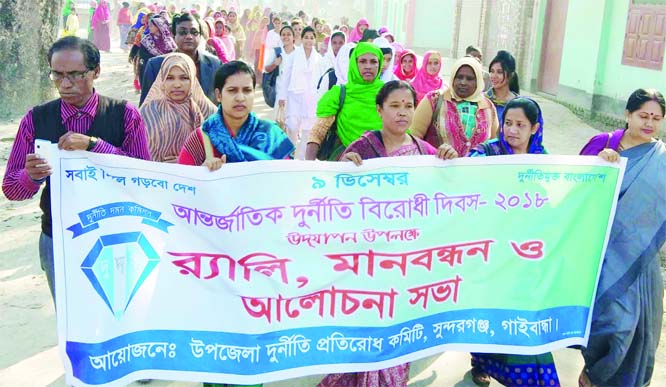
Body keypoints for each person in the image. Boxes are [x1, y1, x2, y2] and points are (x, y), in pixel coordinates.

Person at [318, 82, 454, 386]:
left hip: (403, 268)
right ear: (380, 110)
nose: (403, 112)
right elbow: (332, 198)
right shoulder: (362, 149)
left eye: (408, 106)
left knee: (395, 337)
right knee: (361, 336)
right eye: (395, 106)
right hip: (364, 267)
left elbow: (446, 194)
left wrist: (448, 158)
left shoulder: (424, 153)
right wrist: (343, 170)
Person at [1, 36, 151, 300]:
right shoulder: (36, 119)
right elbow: (12, 189)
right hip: (58, 237)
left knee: (115, 317)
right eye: (57, 75)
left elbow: (143, 179)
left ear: (96, 72)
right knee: (70, 323)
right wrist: (31, 177)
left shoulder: (124, 115)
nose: (65, 84)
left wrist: (95, 146)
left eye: (75, 75)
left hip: (117, 236)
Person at [466, 96, 556, 387]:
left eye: (520, 125)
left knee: (526, 319)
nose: (512, 130)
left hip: (527, 256)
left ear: (534, 128)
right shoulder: (487, 153)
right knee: (489, 312)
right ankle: (481, 362)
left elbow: (563, 197)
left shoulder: (544, 161)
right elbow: (464, 172)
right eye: (508, 123)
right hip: (492, 253)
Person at [578, 88, 665, 387]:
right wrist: (599, 167)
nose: (649, 123)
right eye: (643, 115)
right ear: (627, 114)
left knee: (639, 331)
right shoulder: (602, 144)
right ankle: (592, 373)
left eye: (656, 118)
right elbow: (574, 190)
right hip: (602, 251)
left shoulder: (661, 159)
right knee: (612, 324)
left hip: (640, 257)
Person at [178, 61, 294, 169]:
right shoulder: (200, 139)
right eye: (232, 90)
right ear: (218, 95)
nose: (240, 98)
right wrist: (201, 174)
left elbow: (288, 178)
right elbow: (183, 182)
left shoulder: (271, 134)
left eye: (247, 90)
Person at [305, 42, 384, 161]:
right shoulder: (339, 94)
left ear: (379, 65)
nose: (368, 66)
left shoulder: (388, 93)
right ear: (354, 64)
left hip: (383, 160)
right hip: (346, 161)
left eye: (373, 62)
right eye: (362, 61)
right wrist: (308, 167)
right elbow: (317, 133)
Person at [410, 56, 499, 153]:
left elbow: (494, 147)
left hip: (476, 168)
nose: (463, 82)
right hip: (438, 167)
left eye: (470, 79)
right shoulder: (434, 100)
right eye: (459, 77)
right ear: (452, 78)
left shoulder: (488, 108)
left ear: (478, 81)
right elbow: (414, 140)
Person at [140, 53, 217, 162]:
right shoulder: (148, 113)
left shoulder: (209, 112)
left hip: (198, 176)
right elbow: (138, 154)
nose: (177, 84)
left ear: (192, 80)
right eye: (170, 78)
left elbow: (219, 153)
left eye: (184, 78)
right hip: (157, 176)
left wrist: (185, 161)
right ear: (162, 81)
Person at [141, 12, 222, 105]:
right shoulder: (155, 66)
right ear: (173, 36)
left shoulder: (215, 64)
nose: (189, 36)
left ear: (200, 36)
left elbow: (221, 104)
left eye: (194, 32)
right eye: (183, 32)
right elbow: (145, 107)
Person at [276, 26, 321, 158]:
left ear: (315, 40)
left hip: (311, 98)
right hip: (294, 96)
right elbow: (286, 77)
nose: (308, 40)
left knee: (307, 131)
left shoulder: (318, 58)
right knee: (292, 127)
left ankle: (301, 160)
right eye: (306, 37)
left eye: (311, 38)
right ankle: (289, 155)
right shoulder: (294, 56)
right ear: (301, 39)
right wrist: (282, 96)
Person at [137, 15, 177, 90]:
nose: (149, 28)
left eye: (151, 26)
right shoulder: (146, 41)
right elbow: (143, 56)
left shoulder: (169, 40)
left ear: (158, 26)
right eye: (149, 26)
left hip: (167, 72)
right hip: (151, 72)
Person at [485, 50, 519, 120]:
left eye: (499, 72)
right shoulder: (483, 100)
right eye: (492, 71)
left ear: (511, 75)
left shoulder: (518, 104)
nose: (494, 76)